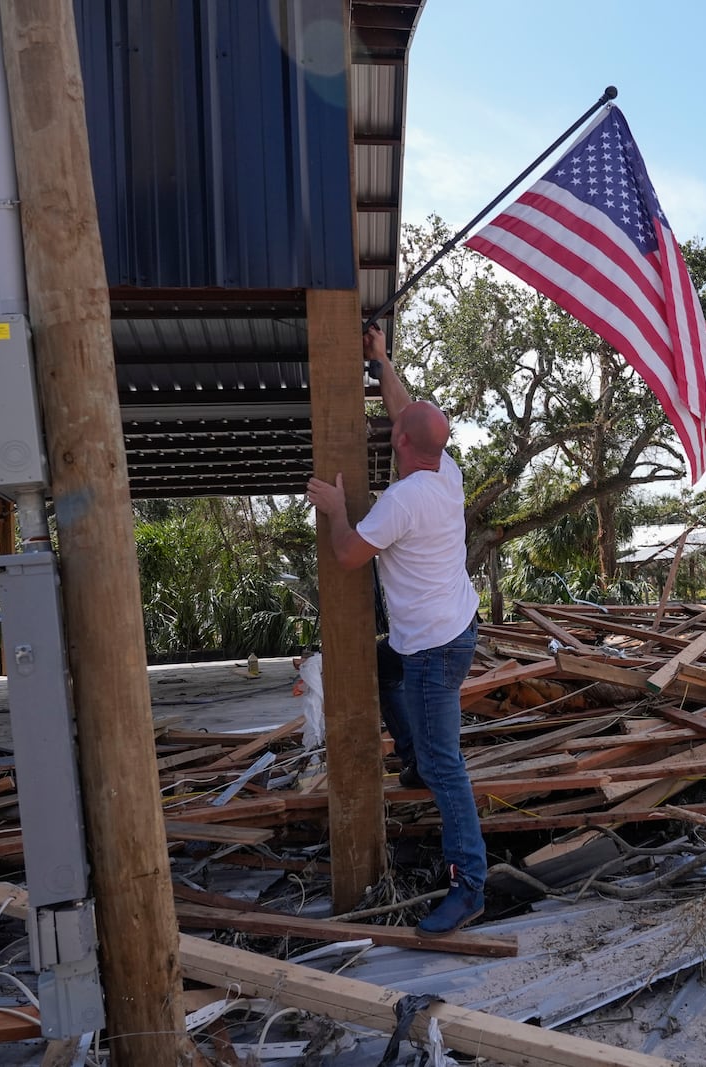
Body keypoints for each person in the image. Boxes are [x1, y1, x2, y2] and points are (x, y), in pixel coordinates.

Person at [306, 325, 486, 936]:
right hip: (452, 629)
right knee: (383, 668)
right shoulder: (446, 472)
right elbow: (406, 410)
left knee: (447, 763)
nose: (392, 424)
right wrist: (381, 359)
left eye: (395, 427)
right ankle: (413, 760)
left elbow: (351, 555)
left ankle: (470, 885)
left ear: (400, 444)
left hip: (436, 649)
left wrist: (334, 513)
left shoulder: (403, 501)